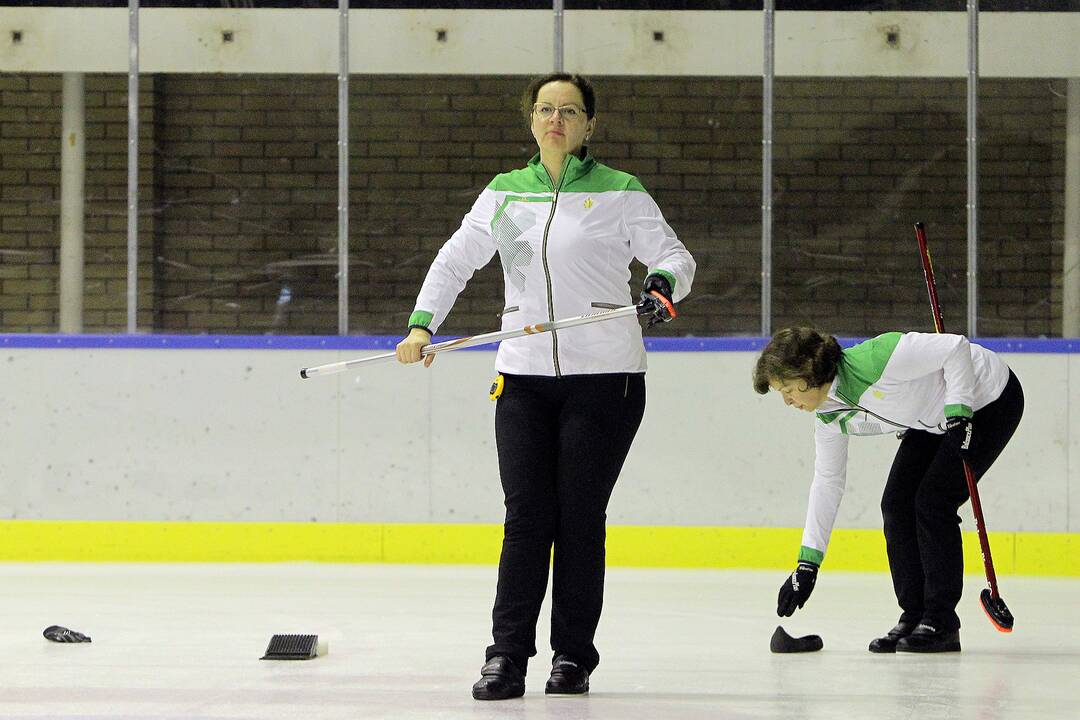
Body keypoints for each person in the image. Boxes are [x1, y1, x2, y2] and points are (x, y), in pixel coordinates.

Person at [395, 73, 695, 699]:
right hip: (524, 376)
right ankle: (506, 656)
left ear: (589, 125)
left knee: (579, 517)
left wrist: (662, 287)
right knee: (527, 517)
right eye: (545, 109)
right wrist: (423, 325)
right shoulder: (507, 196)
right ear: (531, 121)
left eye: (569, 110)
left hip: (605, 378)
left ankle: (573, 657)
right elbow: (456, 260)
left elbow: (674, 256)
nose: (555, 119)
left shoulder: (619, 193)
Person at [753, 327, 1023, 653]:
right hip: (931, 419)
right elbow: (827, 482)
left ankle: (941, 622)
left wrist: (959, 409)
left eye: (786, 390)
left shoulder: (876, 359)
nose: (787, 402)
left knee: (933, 501)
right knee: (895, 504)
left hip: (986, 399)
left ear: (806, 373)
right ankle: (914, 615)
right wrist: (807, 564)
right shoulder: (829, 414)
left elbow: (955, 348)